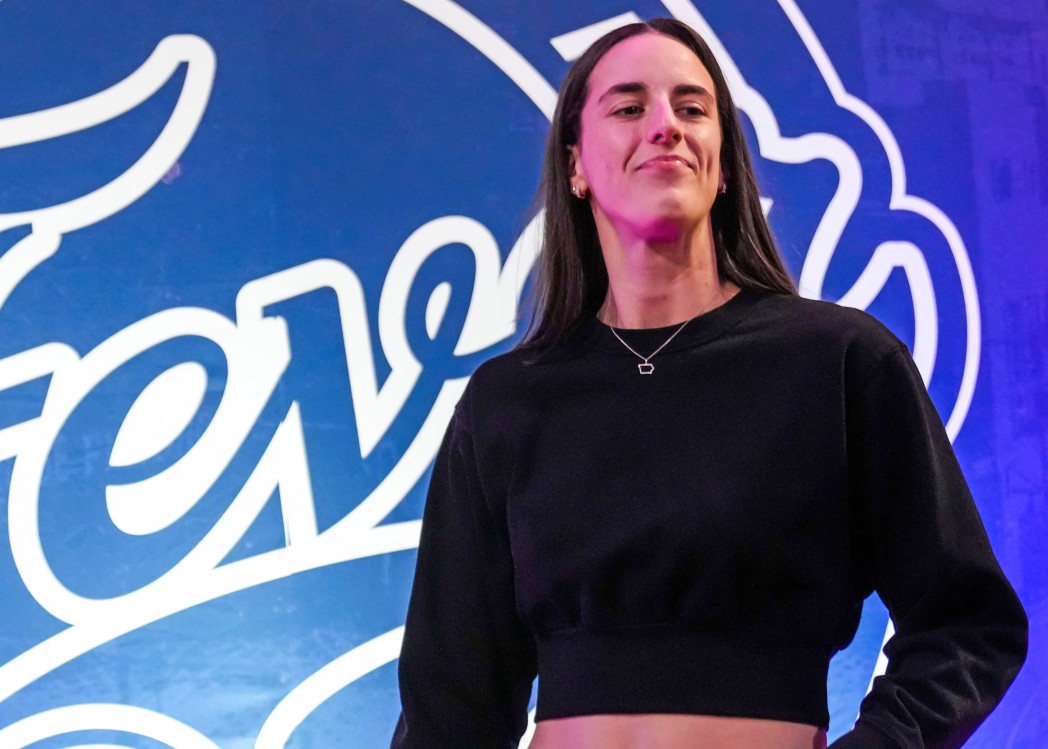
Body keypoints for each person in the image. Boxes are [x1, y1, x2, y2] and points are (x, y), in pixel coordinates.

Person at [390, 18, 1027, 749]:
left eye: (692, 109)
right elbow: (450, 700)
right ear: (575, 165)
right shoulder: (506, 401)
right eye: (630, 107)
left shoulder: (842, 361)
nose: (666, 126)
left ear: (722, 164)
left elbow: (970, 622)